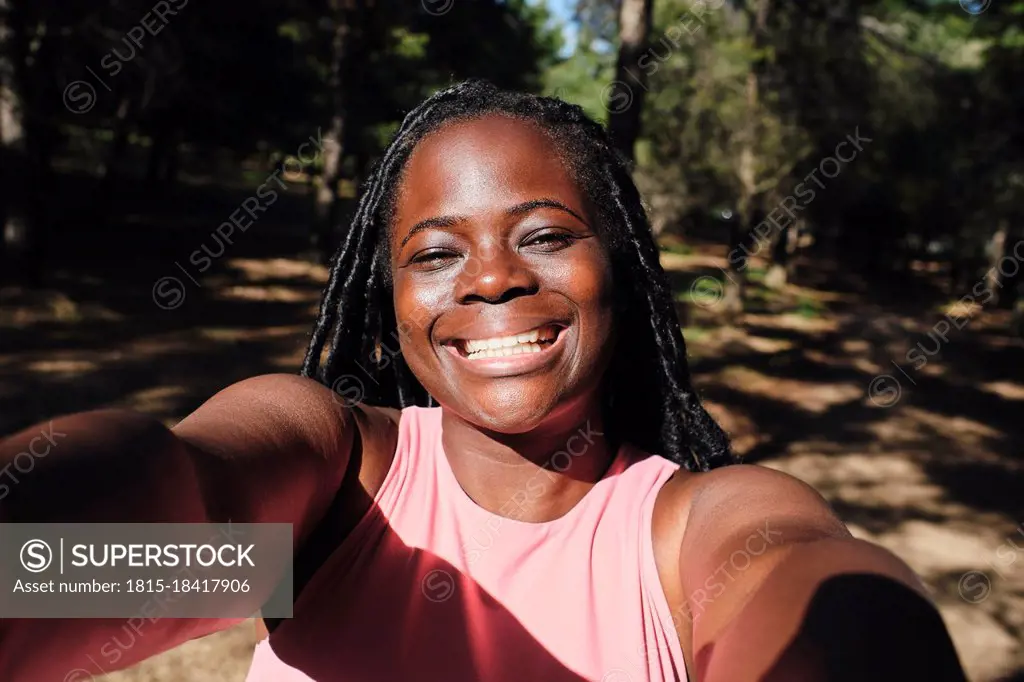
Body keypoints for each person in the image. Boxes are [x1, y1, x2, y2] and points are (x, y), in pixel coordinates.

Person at [0, 81, 967, 682]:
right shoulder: (333, 506)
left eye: (544, 235)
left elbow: (813, 596)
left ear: (618, 268)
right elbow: (174, 521)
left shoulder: (681, 543)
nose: (492, 277)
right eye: (433, 252)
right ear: (390, 295)